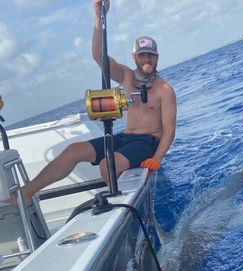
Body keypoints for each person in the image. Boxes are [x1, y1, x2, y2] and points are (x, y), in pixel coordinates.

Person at [18, 0, 176, 204]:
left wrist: (156, 159)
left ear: (157, 57)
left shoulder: (165, 90)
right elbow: (97, 56)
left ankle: (127, 205)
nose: (147, 59)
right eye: (142, 55)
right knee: (73, 150)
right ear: (134, 57)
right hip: (125, 137)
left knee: (106, 165)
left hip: (148, 142)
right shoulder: (126, 76)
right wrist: (99, 16)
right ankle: (24, 195)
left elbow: (169, 131)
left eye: (151, 55)